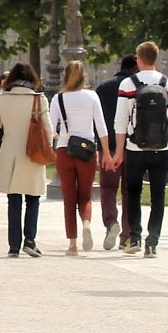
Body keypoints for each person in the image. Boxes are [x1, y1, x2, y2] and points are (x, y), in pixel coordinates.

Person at [0, 62, 54, 258]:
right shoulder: (39, 100)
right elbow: (48, 129)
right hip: (32, 152)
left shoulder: (3, 100)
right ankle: (30, 240)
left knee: (14, 200)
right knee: (33, 197)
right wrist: (48, 148)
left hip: (9, 152)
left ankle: (13, 245)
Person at [112, 41, 168, 258]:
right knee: (158, 196)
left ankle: (134, 237)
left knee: (133, 193)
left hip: (135, 147)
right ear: (156, 58)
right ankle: (152, 242)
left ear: (139, 59)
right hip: (162, 147)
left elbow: (120, 121)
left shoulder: (128, 84)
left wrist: (119, 151)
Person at [49, 59, 109, 255]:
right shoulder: (92, 96)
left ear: (64, 76)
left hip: (64, 149)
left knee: (69, 199)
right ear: (84, 76)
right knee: (85, 196)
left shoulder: (58, 98)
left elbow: (51, 127)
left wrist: (60, 135)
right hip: (87, 151)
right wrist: (106, 153)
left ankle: (72, 244)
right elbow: (101, 127)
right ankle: (86, 223)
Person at [95, 54, 138, 250]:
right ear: (134, 68)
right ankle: (127, 236)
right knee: (130, 190)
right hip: (132, 146)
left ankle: (111, 222)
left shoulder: (103, 87)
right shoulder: (137, 87)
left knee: (107, 188)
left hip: (108, 146)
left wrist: (100, 147)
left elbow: (97, 120)